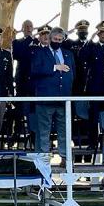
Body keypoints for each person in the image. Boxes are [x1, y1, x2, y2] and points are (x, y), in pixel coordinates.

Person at [31, 27, 75, 167]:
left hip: (63, 100)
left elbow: (73, 74)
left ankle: (65, 157)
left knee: (64, 130)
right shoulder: (40, 53)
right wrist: (55, 67)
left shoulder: (68, 54)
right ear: (50, 39)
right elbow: (35, 70)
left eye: (60, 40)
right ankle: (43, 159)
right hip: (45, 99)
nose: (57, 42)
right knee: (44, 131)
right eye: (55, 39)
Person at [79, 20, 104, 151]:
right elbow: (82, 56)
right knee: (94, 117)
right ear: (98, 33)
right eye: (102, 32)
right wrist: (90, 39)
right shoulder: (92, 47)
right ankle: (92, 142)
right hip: (95, 89)